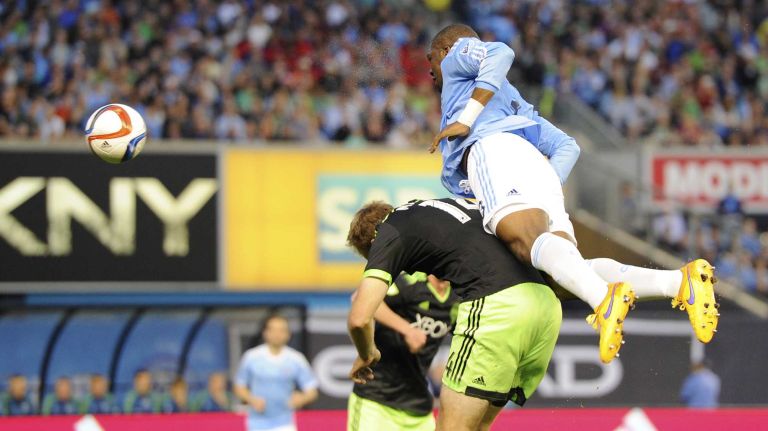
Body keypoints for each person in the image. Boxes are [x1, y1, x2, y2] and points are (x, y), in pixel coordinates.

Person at [426, 24, 718, 359]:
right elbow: (567, 146)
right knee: (562, 276)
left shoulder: (455, 60)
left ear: (446, 49)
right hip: (534, 170)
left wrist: (467, 118)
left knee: (523, 240)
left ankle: (603, 301)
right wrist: (540, 185)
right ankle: (677, 283)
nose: (430, 70)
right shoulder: (513, 101)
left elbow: (499, 51)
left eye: (430, 58)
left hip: (494, 153)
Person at [346, 198, 562, 431]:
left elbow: (359, 319)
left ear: (374, 242)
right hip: (546, 304)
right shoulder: (441, 212)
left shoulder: (389, 230)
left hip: (498, 305)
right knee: (478, 427)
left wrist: (367, 352)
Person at [347, 272, 459, 431]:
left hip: (418, 408)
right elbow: (362, 300)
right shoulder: (409, 280)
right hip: (376, 400)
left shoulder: (458, 296)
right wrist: (407, 330)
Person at [234, 314, 319, 431]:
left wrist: (301, 398)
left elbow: (312, 391)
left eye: (281, 330)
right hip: (256, 422)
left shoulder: (296, 359)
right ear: (265, 333)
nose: (277, 334)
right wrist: (251, 399)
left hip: (284, 423)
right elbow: (239, 386)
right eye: (273, 330)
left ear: (288, 334)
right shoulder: (251, 357)